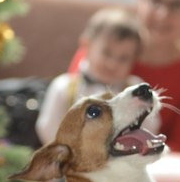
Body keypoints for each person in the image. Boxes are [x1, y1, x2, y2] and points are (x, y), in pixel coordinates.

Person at [69, 0, 180, 154]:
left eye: (177, 5)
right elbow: (70, 111)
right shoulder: (103, 44)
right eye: (155, 0)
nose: (163, 14)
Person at [35, 7, 143, 143]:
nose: (112, 64)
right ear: (87, 45)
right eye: (106, 53)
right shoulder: (64, 86)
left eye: (123, 58)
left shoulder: (135, 90)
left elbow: (149, 127)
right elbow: (47, 127)